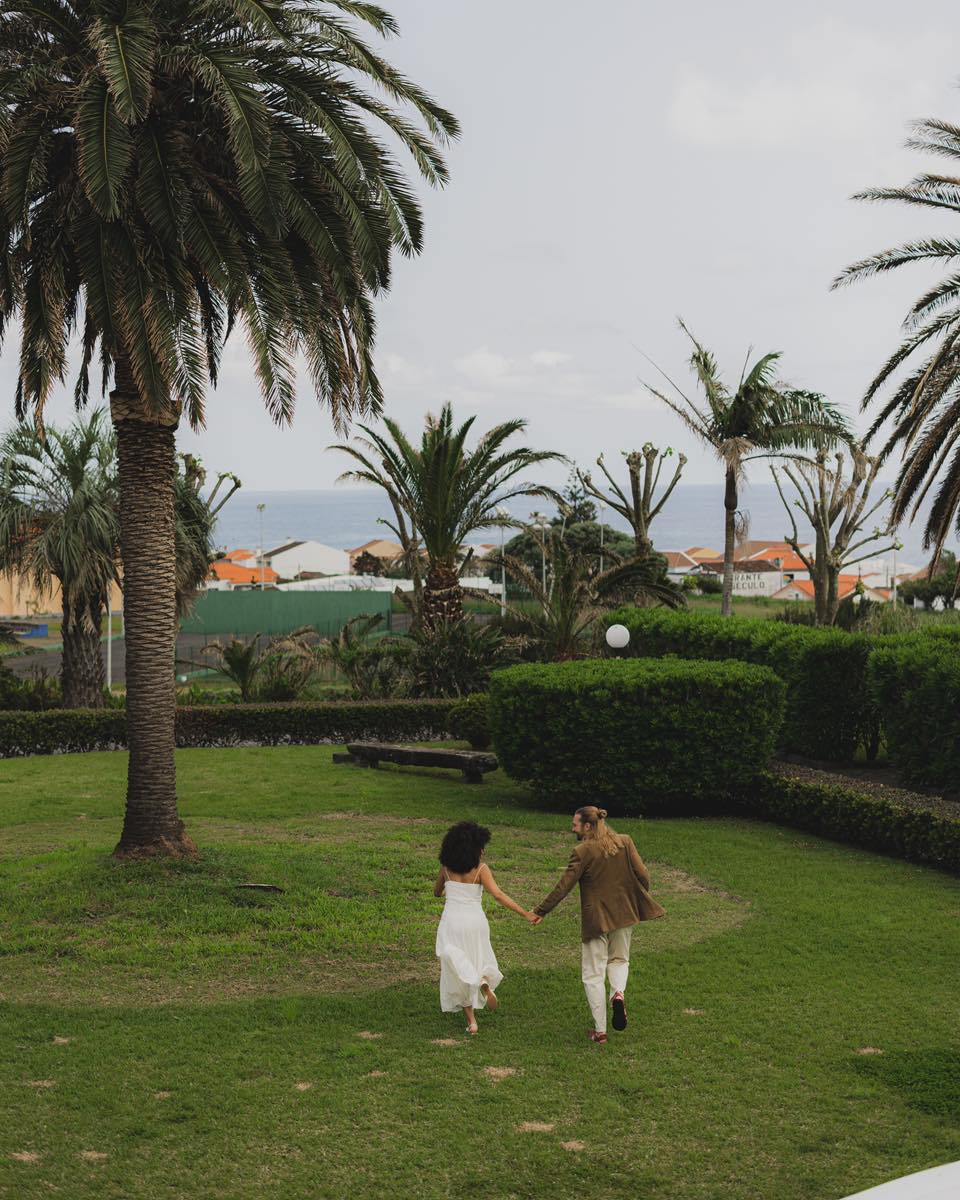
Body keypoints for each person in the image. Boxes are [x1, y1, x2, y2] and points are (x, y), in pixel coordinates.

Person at [532, 806, 665, 1044]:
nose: (571, 827)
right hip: (625, 914)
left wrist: (541, 910)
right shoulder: (625, 842)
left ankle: (600, 1031)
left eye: (575, 824)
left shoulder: (583, 851)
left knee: (593, 974)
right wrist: (637, 895)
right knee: (620, 960)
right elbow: (643, 874)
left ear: (587, 826)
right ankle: (618, 993)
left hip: (596, 920)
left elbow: (564, 886)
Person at [434, 820, 538, 1035]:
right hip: (475, 921)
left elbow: (437, 892)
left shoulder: (446, 868)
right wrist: (525, 913)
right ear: (476, 849)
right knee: (477, 958)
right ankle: (481, 980)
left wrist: (450, 888)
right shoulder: (481, 869)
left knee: (456, 966)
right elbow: (498, 895)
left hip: (452, 921)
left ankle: (472, 1022)